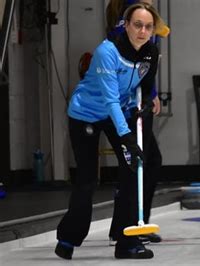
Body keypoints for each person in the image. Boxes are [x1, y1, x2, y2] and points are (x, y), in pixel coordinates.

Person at [55, 3, 165, 259]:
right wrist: (125, 135)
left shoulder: (151, 52)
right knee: (87, 179)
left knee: (131, 171)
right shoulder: (108, 51)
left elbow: (146, 86)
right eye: (137, 25)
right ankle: (69, 238)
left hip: (120, 114)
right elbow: (110, 99)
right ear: (125, 25)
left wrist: (149, 100)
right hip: (87, 116)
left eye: (148, 27)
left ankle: (125, 241)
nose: (143, 31)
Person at [106, 0, 168, 246]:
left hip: (139, 98)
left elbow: (146, 65)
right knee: (139, 163)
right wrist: (148, 94)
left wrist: (152, 93)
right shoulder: (133, 11)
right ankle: (128, 225)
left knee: (147, 161)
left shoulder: (146, 13)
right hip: (128, 103)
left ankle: (132, 224)